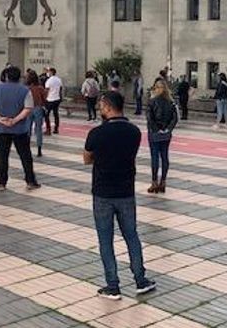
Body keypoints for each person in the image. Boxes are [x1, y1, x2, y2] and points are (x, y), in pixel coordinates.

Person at [83, 92, 156, 300]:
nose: (99, 108)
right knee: (131, 235)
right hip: (126, 192)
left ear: (107, 107)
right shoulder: (134, 132)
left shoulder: (96, 133)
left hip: (102, 193)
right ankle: (141, 280)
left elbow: (87, 159)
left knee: (105, 240)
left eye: (100, 105)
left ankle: (112, 286)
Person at [0, 66, 41, 191]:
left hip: (2, 128)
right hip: (20, 129)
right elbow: (28, 108)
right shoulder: (25, 90)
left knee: (3, 156)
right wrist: (15, 120)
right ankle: (30, 181)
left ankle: (1, 182)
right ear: (19, 76)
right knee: (25, 156)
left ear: (6, 76)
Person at [146, 79, 178, 193]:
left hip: (154, 133)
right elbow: (175, 118)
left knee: (155, 157)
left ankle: (154, 182)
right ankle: (163, 181)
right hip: (166, 134)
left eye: (157, 87)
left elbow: (149, 118)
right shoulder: (170, 102)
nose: (157, 89)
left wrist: (156, 129)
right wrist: (168, 129)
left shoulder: (152, 101)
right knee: (164, 157)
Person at [26, 71, 47, 158]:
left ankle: (26, 147)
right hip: (38, 108)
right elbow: (45, 99)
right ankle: (39, 149)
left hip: (28, 108)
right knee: (38, 129)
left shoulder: (26, 88)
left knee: (27, 128)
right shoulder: (40, 88)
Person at [44, 67, 63, 135]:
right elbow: (60, 88)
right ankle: (56, 129)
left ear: (51, 72)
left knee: (46, 115)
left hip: (50, 99)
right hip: (57, 99)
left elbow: (46, 90)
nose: (48, 73)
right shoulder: (59, 79)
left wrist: (44, 99)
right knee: (56, 114)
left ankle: (48, 129)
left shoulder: (49, 80)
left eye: (48, 72)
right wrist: (60, 97)